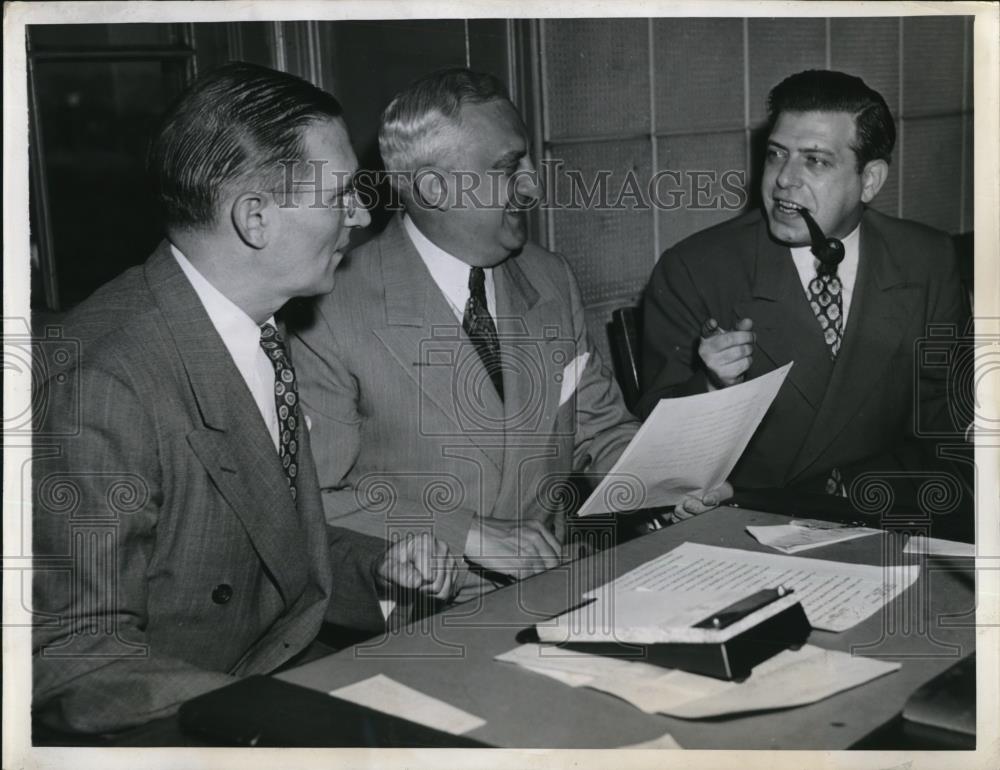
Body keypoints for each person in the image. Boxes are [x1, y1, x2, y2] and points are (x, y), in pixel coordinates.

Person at [32, 62, 459, 736]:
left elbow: (259, 545)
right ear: (256, 217)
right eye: (340, 193)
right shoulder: (102, 385)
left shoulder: (251, 325)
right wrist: (279, 723)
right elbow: (76, 657)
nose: (362, 212)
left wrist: (377, 569)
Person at [289, 68, 729, 599]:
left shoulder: (550, 278)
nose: (534, 184)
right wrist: (466, 534)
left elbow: (600, 431)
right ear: (433, 188)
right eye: (508, 167)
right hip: (420, 613)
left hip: (564, 587)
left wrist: (670, 483)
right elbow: (311, 498)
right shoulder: (329, 308)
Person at [638, 70, 970, 503]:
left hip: (892, 509)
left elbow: (949, 424)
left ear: (870, 180)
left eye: (815, 160)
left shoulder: (926, 259)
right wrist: (710, 388)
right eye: (777, 154)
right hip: (748, 523)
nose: (784, 180)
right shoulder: (694, 269)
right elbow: (654, 459)